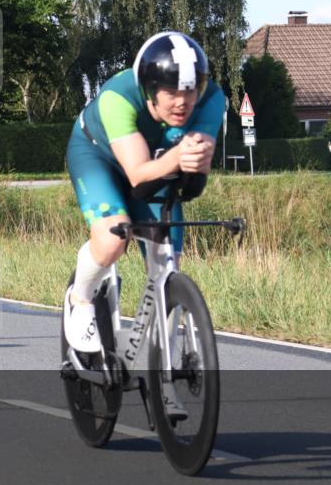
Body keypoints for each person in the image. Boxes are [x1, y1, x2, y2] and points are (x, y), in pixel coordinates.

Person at [64, 32, 226, 355]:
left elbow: (191, 185)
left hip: (158, 164)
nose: (182, 101)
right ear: (150, 89)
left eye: (190, 89)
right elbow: (137, 175)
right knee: (112, 240)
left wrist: (198, 165)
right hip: (98, 157)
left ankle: (157, 360)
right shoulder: (118, 97)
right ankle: (79, 298)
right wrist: (178, 158)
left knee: (166, 265)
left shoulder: (211, 100)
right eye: (170, 91)